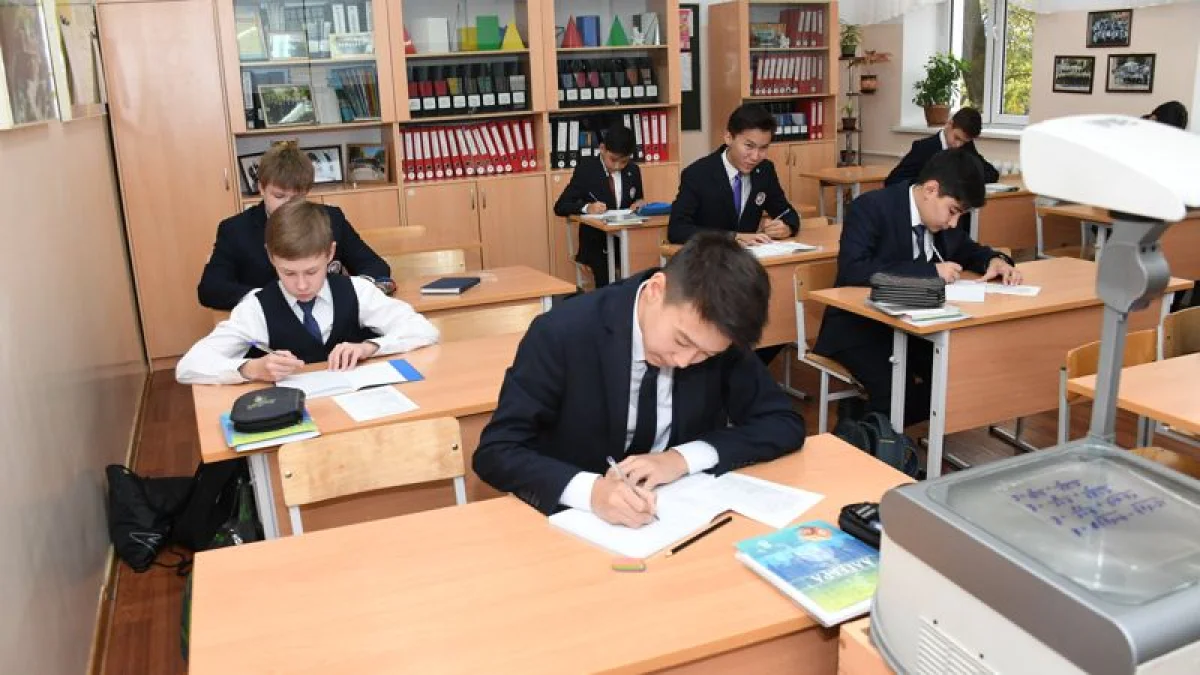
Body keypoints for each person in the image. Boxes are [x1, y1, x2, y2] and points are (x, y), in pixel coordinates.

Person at [473, 232, 806, 527]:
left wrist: (682, 459)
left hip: (678, 515)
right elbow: (496, 451)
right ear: (656, 291)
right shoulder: (562, 333)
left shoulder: (716, 337)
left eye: (705, 355)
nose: (685, 361)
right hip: (577, 523)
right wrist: (591, 492)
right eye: (682, 341)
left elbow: (782, 422)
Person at [812, 149, 1021, 427]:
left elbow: (969, 250)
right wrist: (930, 271)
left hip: (918, 327)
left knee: (958, 377)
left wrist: (995, 260)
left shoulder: (942, 220)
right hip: (861, 326)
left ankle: (865, 418)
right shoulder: (871, 208)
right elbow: (854, 269)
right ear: (931, 190)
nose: (953, 223)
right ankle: (867, 433)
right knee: (895, 392)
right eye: (953, 212)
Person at [177, 200, 439, 385]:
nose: (302, 285)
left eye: (312, 271)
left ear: (330, 253)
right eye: (289, 273)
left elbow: (424, 330)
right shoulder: (256, 308)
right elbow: (188, 367)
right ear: (271, 257)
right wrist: (251, 368)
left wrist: (370, 347)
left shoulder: (357, 290)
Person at [198, 142, 394, 311]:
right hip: (269, 325)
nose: (288, 205)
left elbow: (375, 266)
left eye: (297, 197)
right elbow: (211, 289)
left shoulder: (331, 219)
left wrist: (345, 291)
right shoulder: (235, 230)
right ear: (261, 188)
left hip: (329, 318)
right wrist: (270, 298)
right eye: (279, 196)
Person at [667, 103, 800, 245]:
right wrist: (733, 237)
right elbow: (677, 229)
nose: (755, 156)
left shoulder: (764, 170)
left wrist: (787, 227)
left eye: (763, 148)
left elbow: (787, 213)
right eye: (749, 146)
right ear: (729, 137)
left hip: (750, 256)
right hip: (709, 255)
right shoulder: (697, 174)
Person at [552, 124, 646, 288]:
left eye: (623, 161)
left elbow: (637, 199)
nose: (617, 166)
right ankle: (608, 300)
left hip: (625, 239)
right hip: (596, 241)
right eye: (613, 160)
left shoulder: (633, 170)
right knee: (606, 276)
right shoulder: (587, 170)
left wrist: (639, 204)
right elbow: (561, 206)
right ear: (602, 149)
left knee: (643, 261)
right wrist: (587, 208)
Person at [884, 107, 1000, 187]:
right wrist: (932, 183)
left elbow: (991, 174)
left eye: (964, 141)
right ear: (949, 124)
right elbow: (893, 181)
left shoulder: (967, 146)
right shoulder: (924, 148)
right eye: (957, 138)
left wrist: (963, 179)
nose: (958, 145)